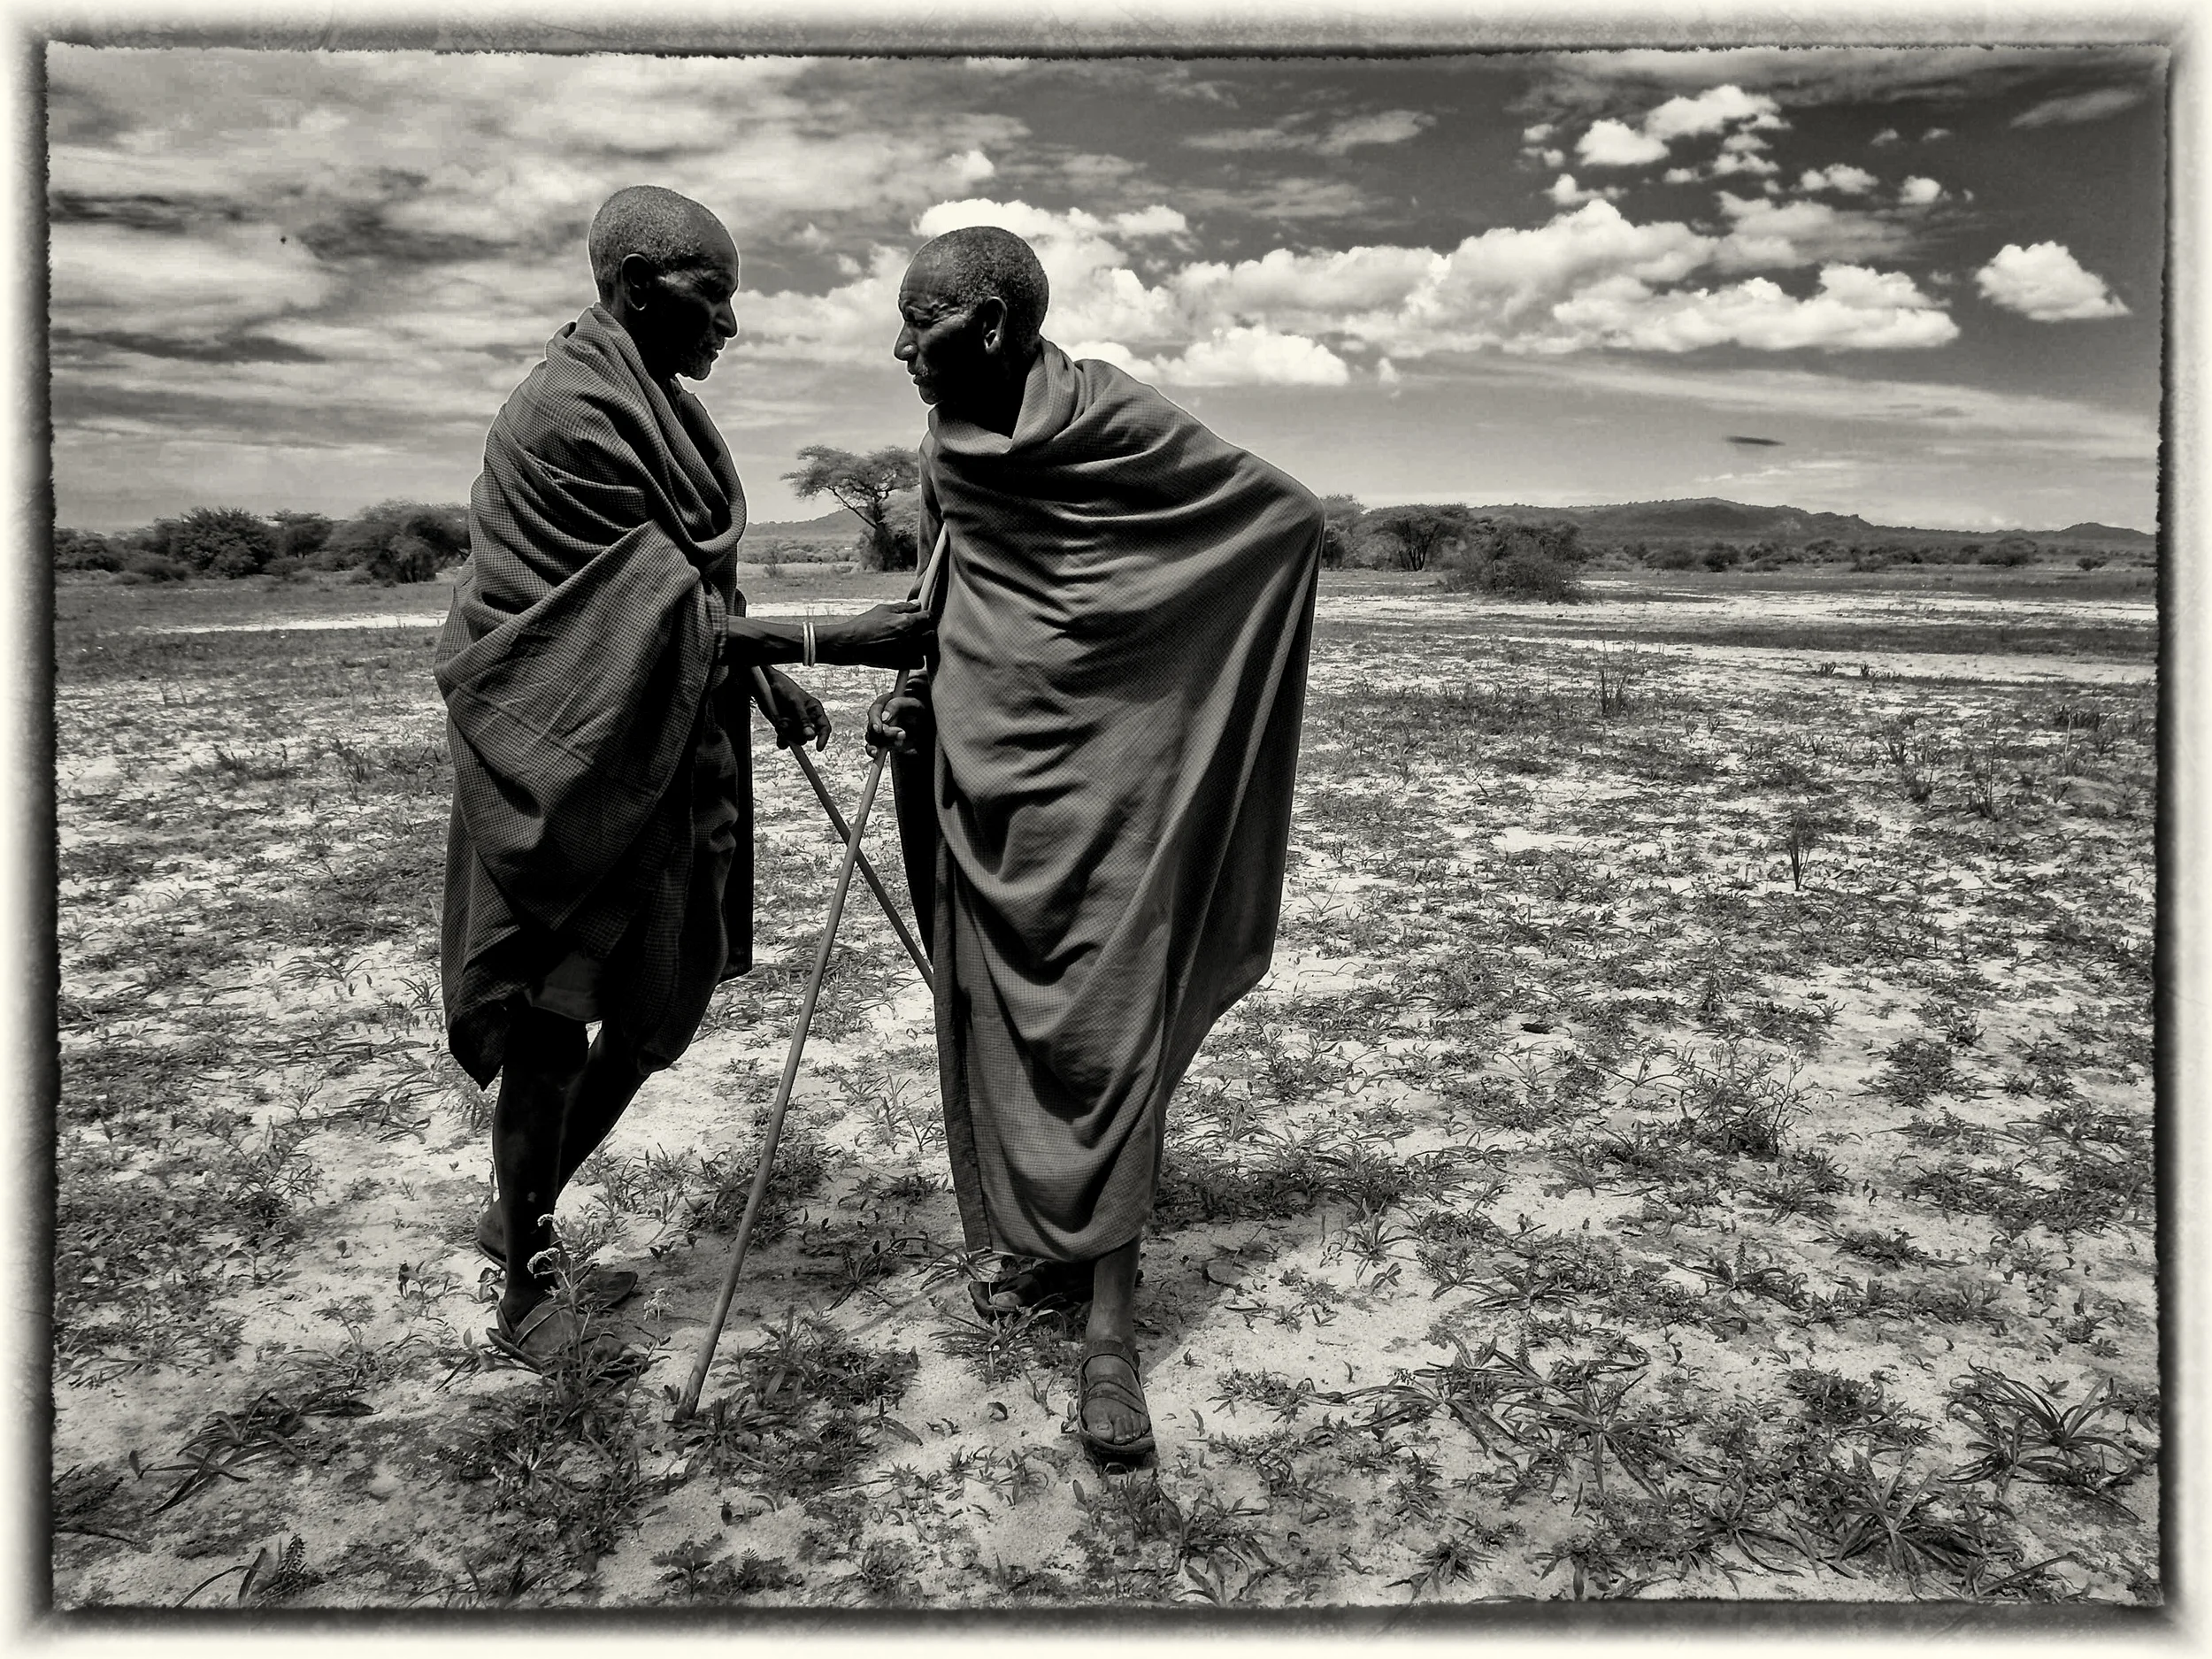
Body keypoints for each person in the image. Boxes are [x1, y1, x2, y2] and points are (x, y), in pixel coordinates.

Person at [436, 185, 934, 1366]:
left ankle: (519, 1201)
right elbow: (620, 608)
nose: (728, 324)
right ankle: (527, 1277)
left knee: (666, 1002)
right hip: (567, 759)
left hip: (663, 749)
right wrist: (823, 641)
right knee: (555, 1022)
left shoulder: (659, 406)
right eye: (711, 298)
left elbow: (682, 591)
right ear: (632, 287)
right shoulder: (565, 412)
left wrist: (755, 675)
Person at [871, 226, 1325, 1458]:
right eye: (903, 322)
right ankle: (1041, 1253)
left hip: (1114, 785)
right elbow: (953, 588)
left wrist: (1161, 681)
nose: (904, 346)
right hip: (984, 773)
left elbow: (1278, 518)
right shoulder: (946, 447)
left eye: (925, 322)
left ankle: (1113, 1330)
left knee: (1105, 1035)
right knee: (999, 1023)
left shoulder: (1109, 417)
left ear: (998, 328)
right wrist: (914, 681)